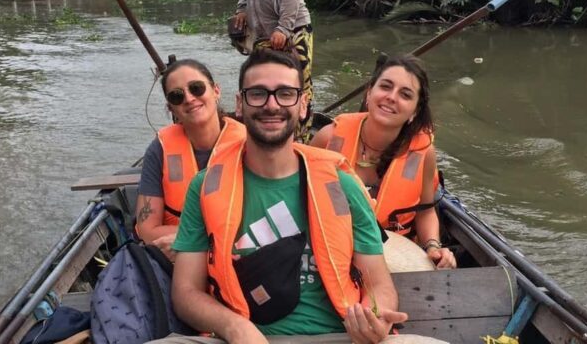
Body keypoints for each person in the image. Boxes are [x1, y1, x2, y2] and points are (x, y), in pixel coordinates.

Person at [149, 50, 447, 344]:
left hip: (341, 337)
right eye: (258, 94)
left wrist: (373, 317)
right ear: (240, 104)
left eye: (285, 94)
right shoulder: (205, 187)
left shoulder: (343, 185)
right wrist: (235, 327)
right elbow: (185, 293)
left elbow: (380, 284)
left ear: (303, 105)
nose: (272, 105)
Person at [310, 55, 456, 270]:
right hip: (330, 248)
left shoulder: (423, 154)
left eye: (405, 94)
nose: (391, 97)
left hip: (394, 256)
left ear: (415, 111)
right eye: (385, 86)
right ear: (369, 93)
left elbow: (425, 211)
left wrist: (433, 247)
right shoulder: (329, 138)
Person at [135, 59, 246, 260]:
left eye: (196, 88)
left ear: (216, 91)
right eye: (177, 96)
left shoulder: (248, 144)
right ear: (171, 108)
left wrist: (195, 240)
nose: (188, 98)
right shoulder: (159, 150)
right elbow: (147, 231)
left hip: (236, 256)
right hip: (176, 260)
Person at [233, 0, 314, 142]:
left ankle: (300, 141)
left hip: (293, 30)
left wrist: (284, 28)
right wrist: (242, 8)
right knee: (263, 86)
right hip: (262, 34)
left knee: (296, 88)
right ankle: (266, 139)